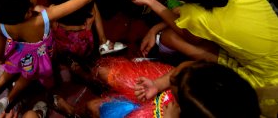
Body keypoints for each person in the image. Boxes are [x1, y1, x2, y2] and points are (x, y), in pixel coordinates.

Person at [0, 0, 122, 114]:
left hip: (17, 55)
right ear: (27, 12)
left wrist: (2, 59)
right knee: (27, 77)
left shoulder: (0, 24)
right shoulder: (43, 19)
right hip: (37, 62)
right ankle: (8, 99)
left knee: (11, 70)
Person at [132, 0, 278, 96]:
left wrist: (151, 2)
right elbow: (181, 14)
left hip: (266, 81)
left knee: (170, 38)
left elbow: (189, 36)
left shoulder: (197, 16)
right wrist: (154, 28)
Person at [87, 61, 260, 118]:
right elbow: (182, 70)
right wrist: (158, 84)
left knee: (93, 107)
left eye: (175, 85)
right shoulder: (202, 75)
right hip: (157, 92)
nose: (173, 79)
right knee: (103, 70)